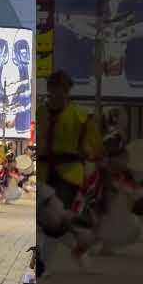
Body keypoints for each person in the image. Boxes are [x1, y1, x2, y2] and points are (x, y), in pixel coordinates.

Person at [37, 70, 104, 273]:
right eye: (54, 88)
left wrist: (88, 151)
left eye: (62, 89)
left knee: (53, 220)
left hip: (69, 173)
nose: (57, 93)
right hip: (42, 171)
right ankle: (79, 245)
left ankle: (43, 265)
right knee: (51, 219)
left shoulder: (81, 116)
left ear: (68, 91)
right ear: (49, 89)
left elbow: (97, 148)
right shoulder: (40, 112)